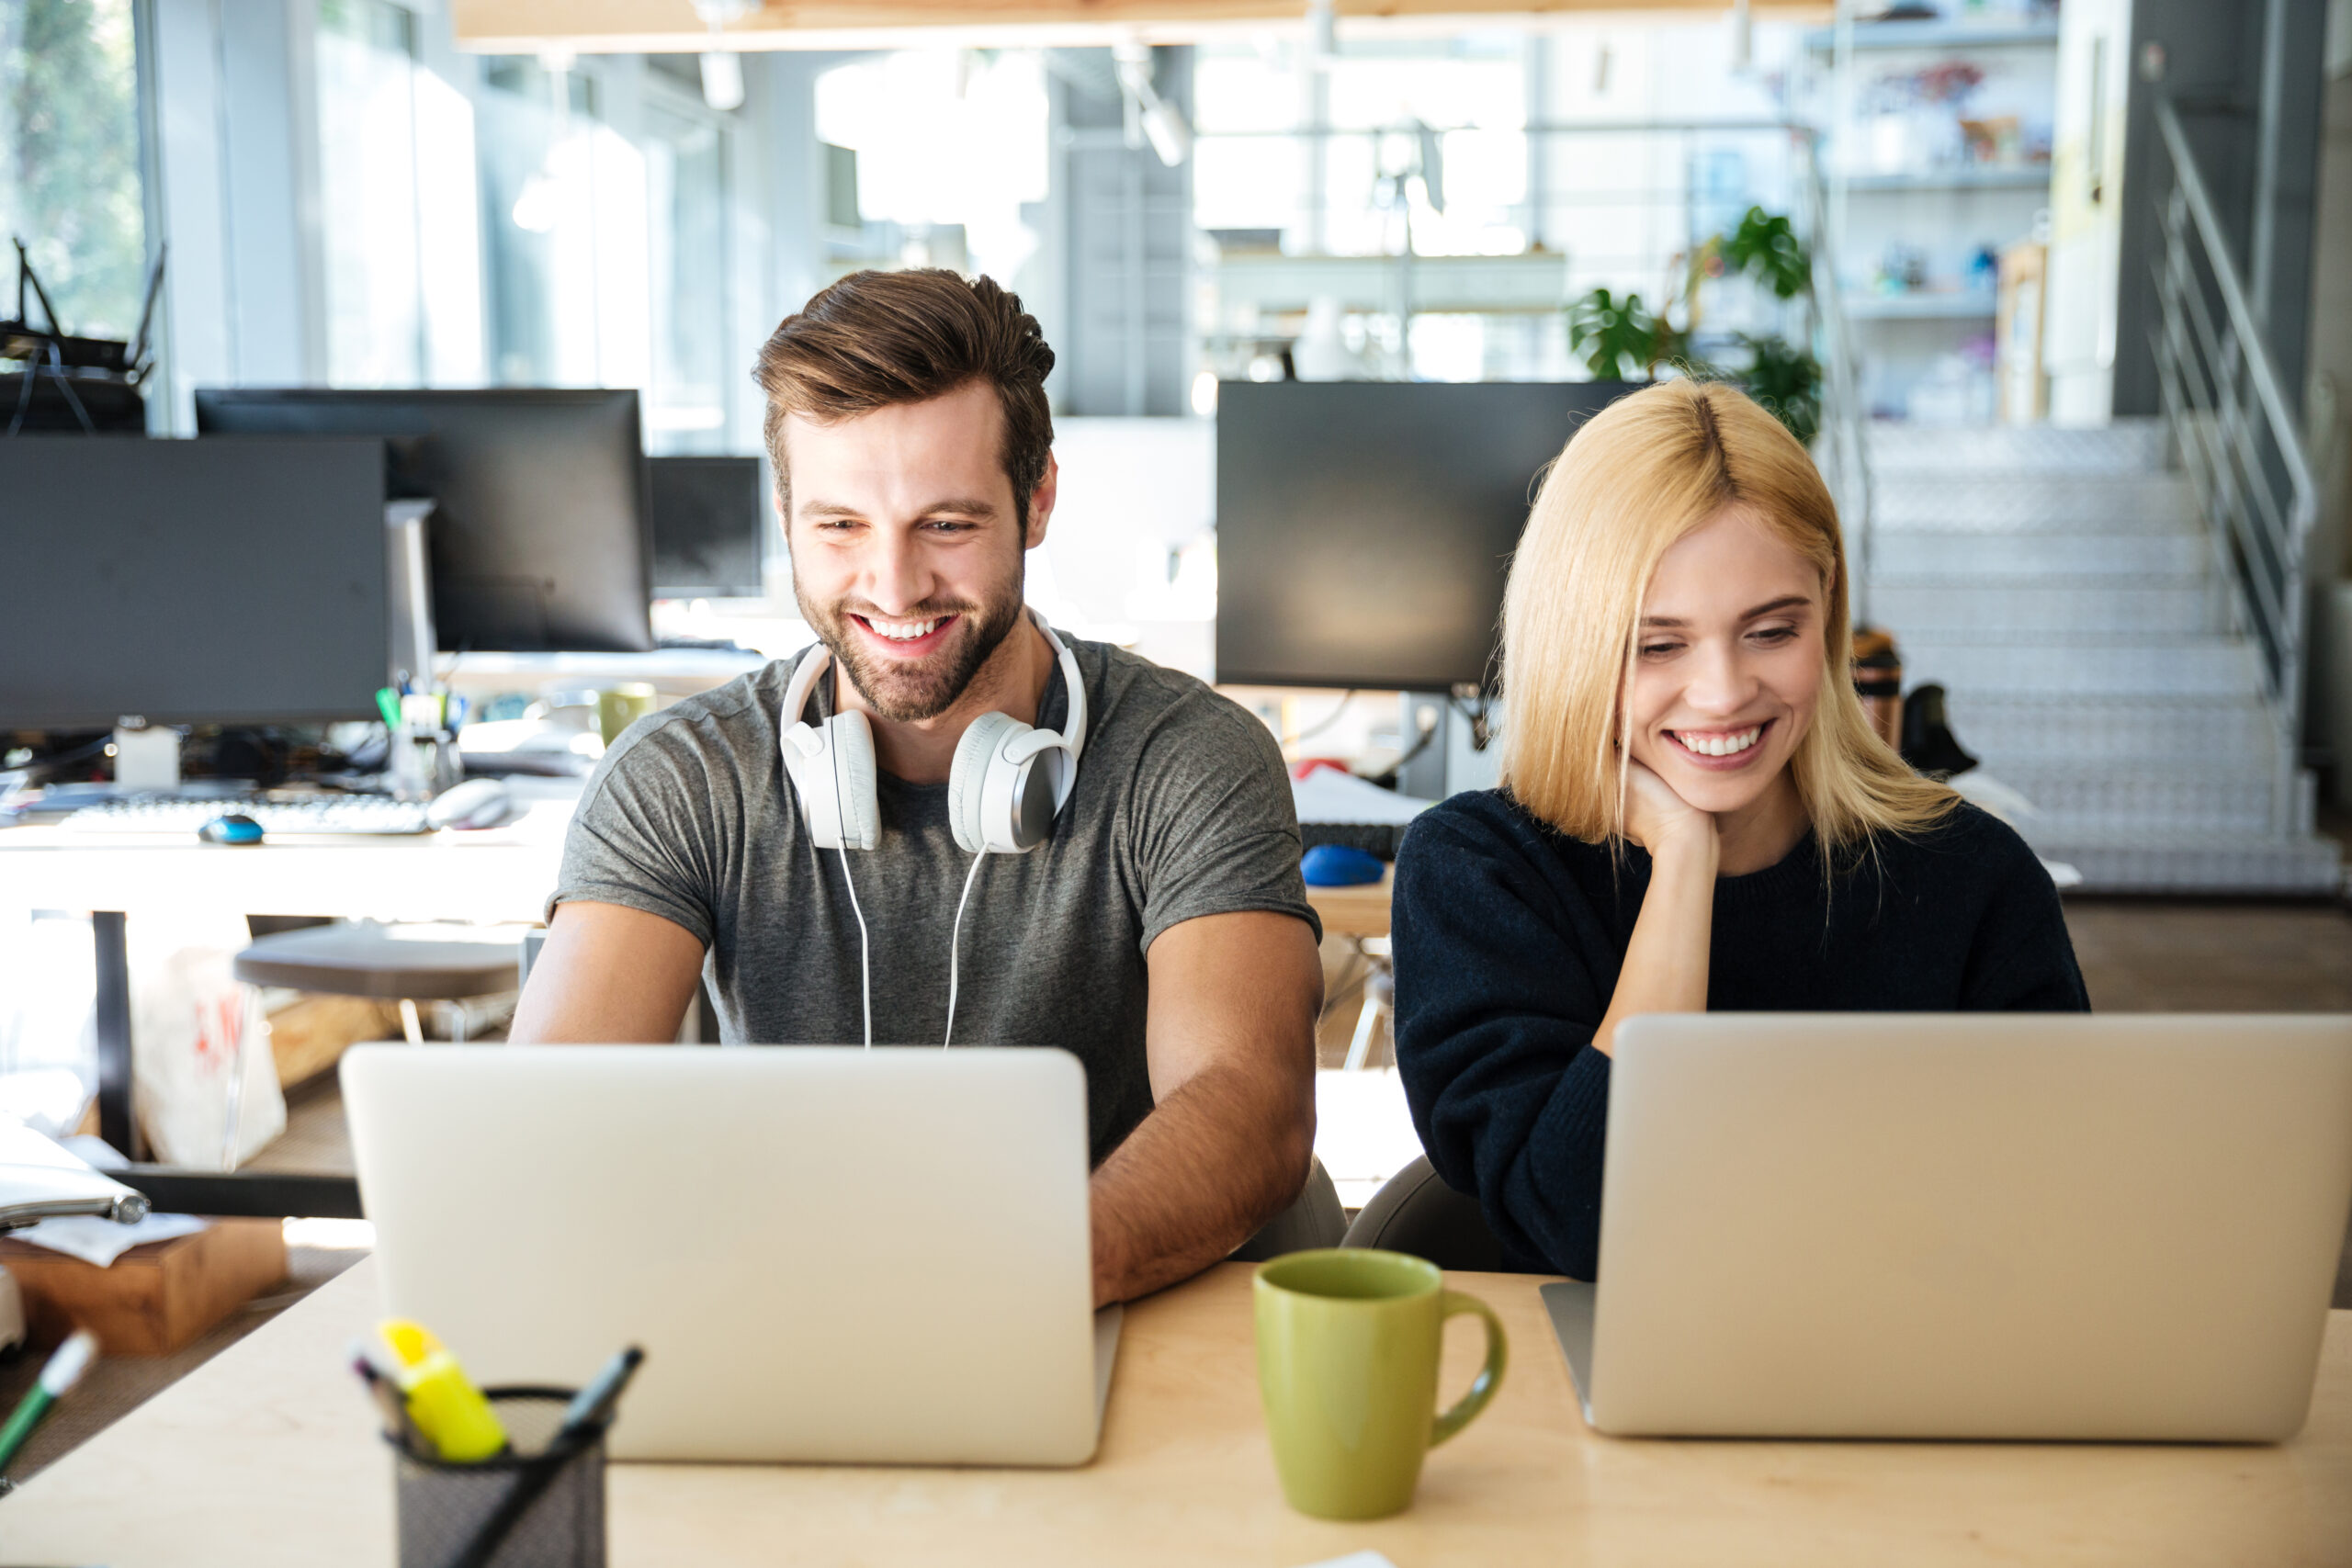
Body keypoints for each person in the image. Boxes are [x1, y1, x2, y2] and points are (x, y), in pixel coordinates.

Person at [512, 269, 1324, 1306]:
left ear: (1036, 503)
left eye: (945, 525)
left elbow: (1247, 1106)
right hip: (778, 1313)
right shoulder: (684, 776)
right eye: (839, 526)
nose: (893, 588)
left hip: (1097, 1310)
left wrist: (985, 1286)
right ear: (785, 514)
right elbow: (544, 1126)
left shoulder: (1189, 758)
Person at [1389, 378, 2087, 1280]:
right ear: (1575, 644)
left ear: (1824, 612)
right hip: (1579, 1397)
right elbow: (1585, 1225)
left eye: (1769, 631)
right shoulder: (1479, 870)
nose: (1721, 693)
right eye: (1657, 644)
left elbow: (2059, 1205)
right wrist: (1682, 859)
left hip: (1913, 1366)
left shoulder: (1969, 872)